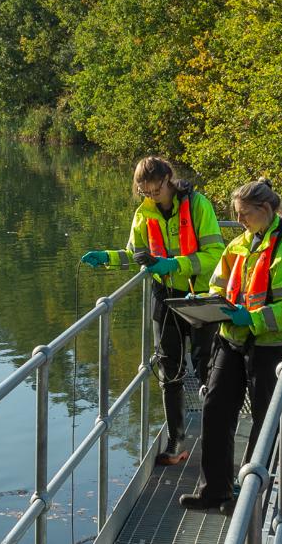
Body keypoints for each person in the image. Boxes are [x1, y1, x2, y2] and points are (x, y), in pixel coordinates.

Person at [80, 156, 224, 465]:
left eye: (156, 189)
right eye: (145, 192)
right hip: (165, 296)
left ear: (169, 179)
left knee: (205, 367)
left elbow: (216, 255)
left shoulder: (198, 206)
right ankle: (176, 440)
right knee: (168, 370)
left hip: (199, 295)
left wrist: (177, 263)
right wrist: (106, 257)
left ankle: (216, 437)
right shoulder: (143, 215)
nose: (152, 196)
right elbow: (135, 255)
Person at [180, 178, 282, 511]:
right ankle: (215, 491)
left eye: (244, 215)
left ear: (265, 210)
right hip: (230, 340)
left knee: (265, 420)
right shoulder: (238, 245)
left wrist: (248, 317)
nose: (239, 221)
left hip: (268, 346)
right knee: (216, 410)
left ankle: (252, 496)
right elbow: (219, 287)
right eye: (237, 215)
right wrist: (204, 302)